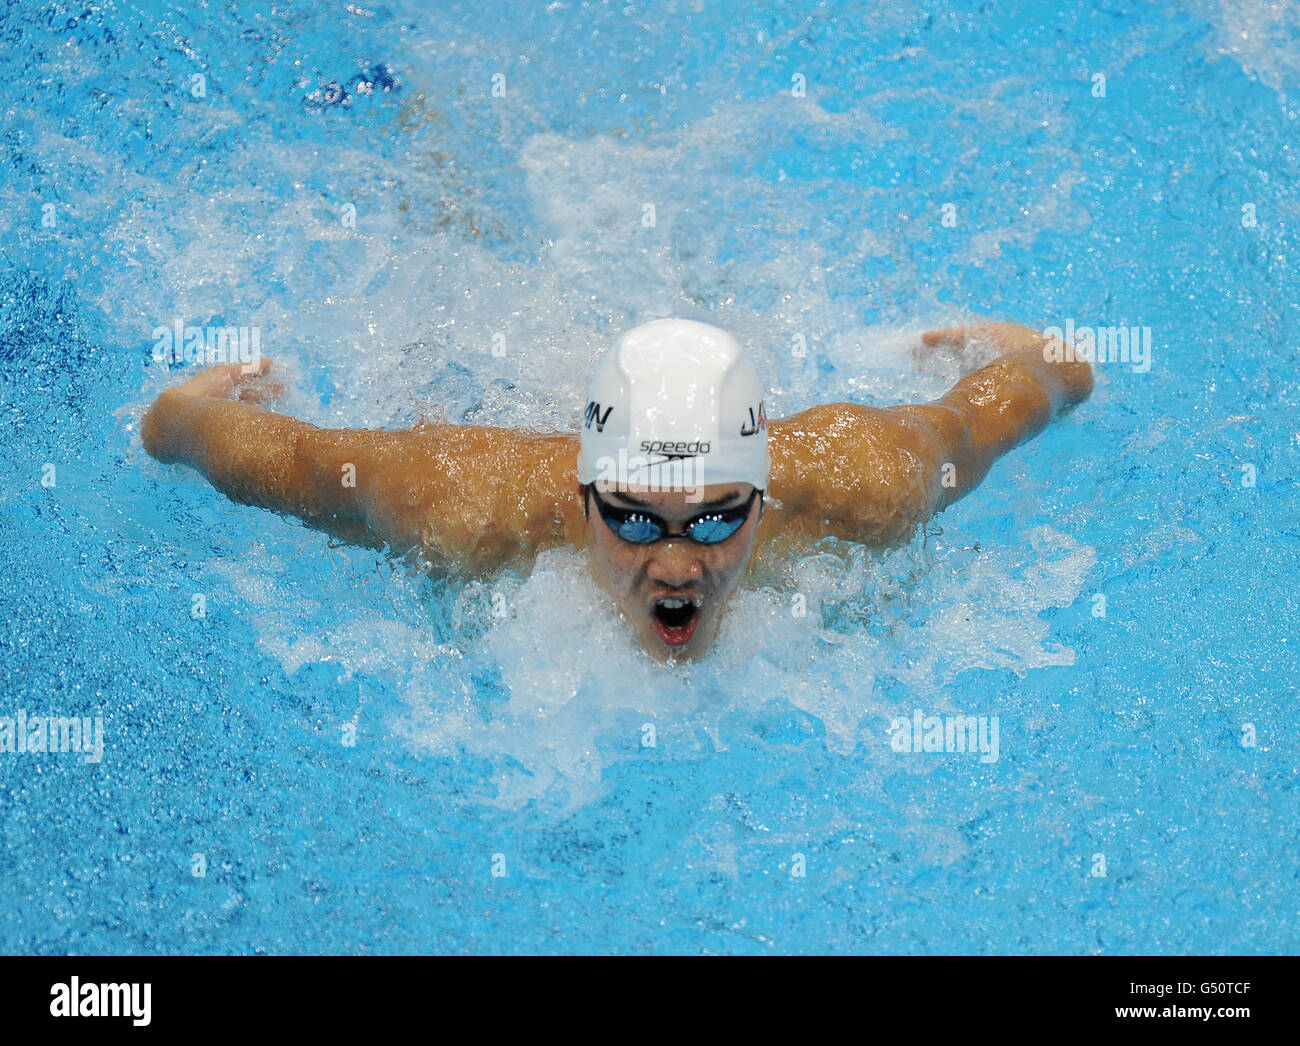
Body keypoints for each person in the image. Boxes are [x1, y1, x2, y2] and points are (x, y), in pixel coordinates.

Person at [141, 318, 1093, 660]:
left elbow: (1048, 375)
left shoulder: (866, 478)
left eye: (718, 517)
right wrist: (181, 412)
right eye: (635, 519)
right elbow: (277, 458)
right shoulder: (461, 504)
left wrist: (1021, 346)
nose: (678, 565)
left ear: (767, 499)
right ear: (582, 493)